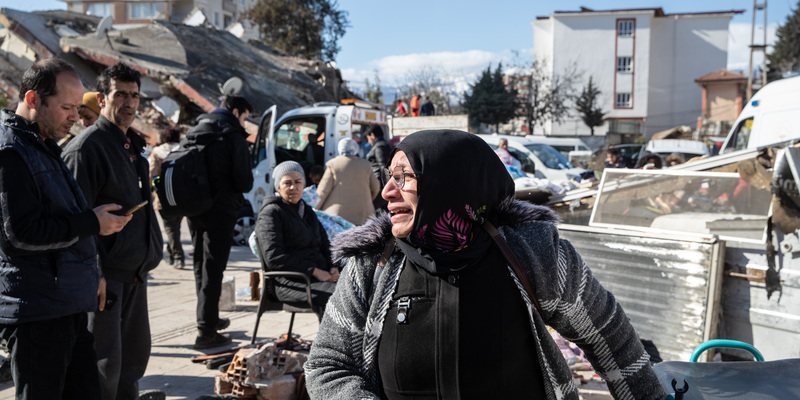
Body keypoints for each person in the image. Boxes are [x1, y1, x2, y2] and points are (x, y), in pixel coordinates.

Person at [304, 130, 666, 399]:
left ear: (451, 184)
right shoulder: (373, 264)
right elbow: (328, 365)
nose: (386, 192)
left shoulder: (533, 253)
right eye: (389, 177)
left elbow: (611, 337)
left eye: (405, 177)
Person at [0, 58, 131, 400]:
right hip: (37, 310)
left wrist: (94, 270)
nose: (76, 116)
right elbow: (20, 234)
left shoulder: (42, 145)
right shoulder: (10, 153)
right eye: (67, 107)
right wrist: (92, 222)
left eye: (78, 107)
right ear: (33, 99)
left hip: (66, 305)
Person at [62, 62, 164, 400]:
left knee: (131, 362)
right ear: (103, 98)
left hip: (135, 274)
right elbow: (75, 221)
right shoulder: (87, 149)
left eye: (134, 96)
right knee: (102, 367)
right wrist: (96, 273)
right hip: (106, 280)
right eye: (120, 94)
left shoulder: (131, 145)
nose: (129, 103)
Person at [184, 95, 254, 349]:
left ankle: (208, 317)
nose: (245, 123)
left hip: (194, 208)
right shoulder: (233, 136)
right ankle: (206, 332)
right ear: (236, 112)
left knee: (200, 265)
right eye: (245, 118)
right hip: (220, 211)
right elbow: (245, 182)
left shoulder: (195, 130)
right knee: (214, 269)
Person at [255, 161, 338, 319]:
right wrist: (314, 271)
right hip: (289, 282)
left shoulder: (307, 211)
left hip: (316, 278)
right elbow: (274, 257)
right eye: (287, 183)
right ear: (278, 187)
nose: (293, 187)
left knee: (358, 291)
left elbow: (326, 246)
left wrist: (333, 267)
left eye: (297, 182)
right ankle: (331, 342)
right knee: (341, 298)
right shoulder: (271, 213)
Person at [315, 138, 380, 225]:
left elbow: (323, 191)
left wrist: (314, 209)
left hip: (338, 216)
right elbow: (376, 187)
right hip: (364, 215)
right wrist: (366, 200)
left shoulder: (333, 164)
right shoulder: (366, 164)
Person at [150, 126, 185, 269]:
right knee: (175, 227)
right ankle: (170, 255)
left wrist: (154, 190)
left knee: (171, 228)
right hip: (183, 197)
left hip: (164, 197)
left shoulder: (157, 153)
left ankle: (178, 257)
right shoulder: (183, 149)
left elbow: (152, 174)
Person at [365, 126, 393, 211]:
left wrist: (387, 186)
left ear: (372, 135)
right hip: (383, 184)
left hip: (380, 185)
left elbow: (383, 167)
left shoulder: (379, 147)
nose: (368, 142)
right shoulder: (388, 144)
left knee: (369, 209)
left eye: (368, 138)